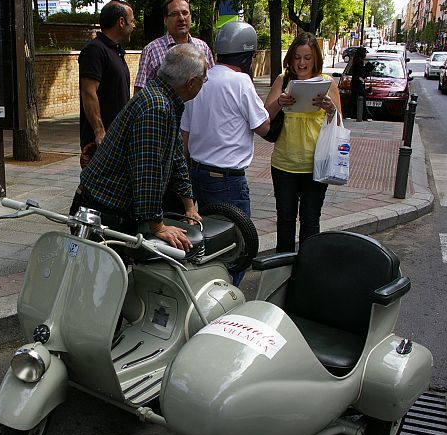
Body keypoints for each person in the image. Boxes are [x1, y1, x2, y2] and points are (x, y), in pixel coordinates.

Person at [71, 44, 207, 251]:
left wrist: (189, 205)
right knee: (102, 270)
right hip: (100, 209)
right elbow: (148, 173)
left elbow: (177, 156)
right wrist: (158, 226)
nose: (204, 83)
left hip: (111, 206)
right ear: (190, 83)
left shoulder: (166, 99)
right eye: (203, 79)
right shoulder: (156, 107)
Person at [180, 22, 269, 284]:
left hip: (197, 174)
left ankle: (207, 287)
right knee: (238, 247)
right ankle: (229, 295)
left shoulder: (200, 80)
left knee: (209, 241)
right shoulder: (240, 82)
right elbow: (264, 127)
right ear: (248, 55)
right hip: (228, 181)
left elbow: (185, 136)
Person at [265, 32, 343, 253]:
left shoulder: (327, 83)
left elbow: (339, 123)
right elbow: (265, 117)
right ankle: (283, 267)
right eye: (297, 57)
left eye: (307, 58)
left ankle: (308, 266)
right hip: (284, 164)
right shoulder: (283, 80)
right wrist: (279, 102)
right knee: (285, 219)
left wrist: (330, 109)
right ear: (290, 59)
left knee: (310, 220)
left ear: (315, 59)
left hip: (316, 165)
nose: (302, 63)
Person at [78, 0, 135, 151]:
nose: (133, 26)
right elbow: (88, 92)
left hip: (118, 140)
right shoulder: (95, 50)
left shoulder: (115, 51)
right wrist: (99, 132)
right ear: (121, 22)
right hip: (102, 143)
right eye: (132, 21)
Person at [133, 0, 214, 93]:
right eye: (175, 14)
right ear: (165, 19)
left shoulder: (203, 48)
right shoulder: (151, 50)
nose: (181, 18)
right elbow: (140, 90)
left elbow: (212, 82)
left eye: (185, 13)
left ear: (191, 16)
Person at [347, 46, 373, 119]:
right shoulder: (359, 62)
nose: (365, 55)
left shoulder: (356, 61)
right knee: (360, 99)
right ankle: (362, 115)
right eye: (364, 53)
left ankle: (356, 114)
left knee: (355, 99)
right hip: (357, 84)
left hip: (356, 83)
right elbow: (361, 73)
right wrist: (367, 68)